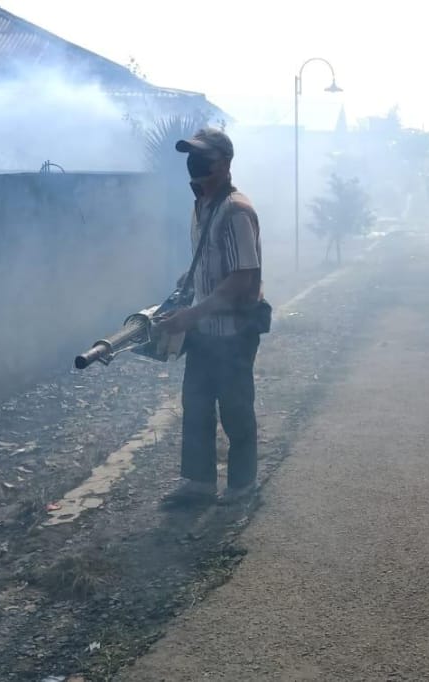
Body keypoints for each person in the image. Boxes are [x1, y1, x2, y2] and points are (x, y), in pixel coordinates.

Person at [155, 127, 267, 506]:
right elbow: (216, 262)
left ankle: (241, 485)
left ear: (225, 163)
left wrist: (189, 317)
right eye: (191, 154)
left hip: (234, 331)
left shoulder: (236, 210)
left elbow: (241, 279)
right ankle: (200, 483)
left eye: (203, 155)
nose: (194, 162)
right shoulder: (203, 205)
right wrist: (191, 279)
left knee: (235, 408)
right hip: (204, 329)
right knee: (197, 404)